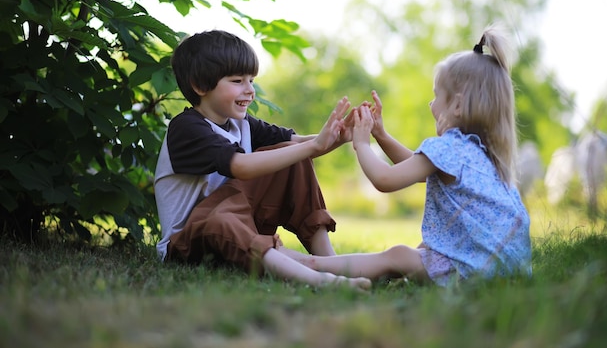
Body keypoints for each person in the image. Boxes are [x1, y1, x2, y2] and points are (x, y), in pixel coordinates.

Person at [286, 25, 532, 286]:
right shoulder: (481, 154)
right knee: (423, 249)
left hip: (473, 271)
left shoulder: (449, 148)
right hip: (505, 271)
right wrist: (381, 135)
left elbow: (385, 180)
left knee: (399, 255)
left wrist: (361, 143)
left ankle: (311, 265)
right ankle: (397, 278)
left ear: (458, 105)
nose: (431, 104)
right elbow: (414, 165)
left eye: (437, 96)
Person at [154, 29, 371, 291]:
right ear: (200, 86)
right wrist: (314, 144)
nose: (250, 90)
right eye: (237, 81)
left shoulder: (242, 123)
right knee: (221, 219)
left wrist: (340, 136)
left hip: (235, 226)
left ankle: (328, 258)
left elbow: (299, 144)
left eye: (251, 80)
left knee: (292, 157)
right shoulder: (186, 128)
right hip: (188, 242)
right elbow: (241, 167)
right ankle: (320, 280)